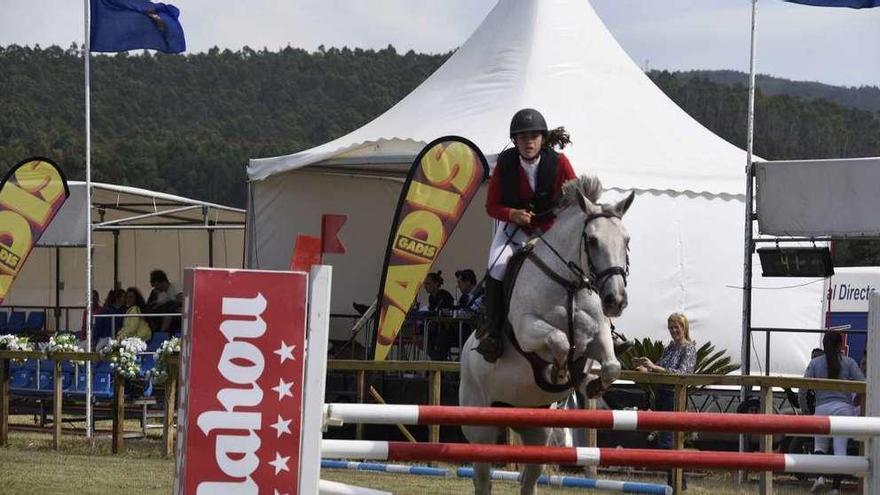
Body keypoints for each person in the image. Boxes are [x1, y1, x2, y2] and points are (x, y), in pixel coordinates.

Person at [475, 108, 578, 362]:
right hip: (514, 230)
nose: (528, 142)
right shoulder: (505, 164)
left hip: (550, 231)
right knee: (496, 266)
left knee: (581, 262)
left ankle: (604, 327)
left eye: (533, 136)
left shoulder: (560, 162)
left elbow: (576, 197)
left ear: (543, 139)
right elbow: (491, 206)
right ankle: (493, 332)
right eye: (522, 137)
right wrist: (512, 214)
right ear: (515, 141)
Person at [633, 313, 697, 489]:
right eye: (671, 328)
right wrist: (646, 369)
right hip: (662, 395)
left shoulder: (689, 348)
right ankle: (676, 483)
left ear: (684, 328)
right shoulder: (669, 348)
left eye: (677, 327)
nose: (674, 331)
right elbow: (660, 370)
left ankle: (677, 483)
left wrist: (654, 367)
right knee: (665, 441)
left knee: (669, 441)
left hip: (675, 397)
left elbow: (683, 373)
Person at [799, 332, 864, 495]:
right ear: (841, 345)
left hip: (822, 409)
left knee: (819, 446)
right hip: (844, 409)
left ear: (824, 344)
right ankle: (835, 488)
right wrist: (858, 401)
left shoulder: (815, 364)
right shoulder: (849, 363)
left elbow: (802, 387)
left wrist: (805, 409)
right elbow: (863, 384)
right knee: (840, 448)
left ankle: (819, 478)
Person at [422, 271, 454, 361]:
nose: (425, 286)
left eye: (428, 283)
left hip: (445, 329)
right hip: (434, 327)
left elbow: (444, 312)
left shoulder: (445, 295)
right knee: (418, 338)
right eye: (425, 284)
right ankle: (436, 359)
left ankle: (438, 361)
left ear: (436, 284)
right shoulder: (431, 297)